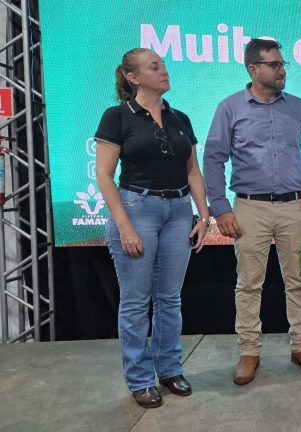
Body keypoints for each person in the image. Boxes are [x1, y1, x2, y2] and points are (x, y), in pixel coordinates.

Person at [203, 38, 301, 386]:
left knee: (299, 281)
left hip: (294, 206)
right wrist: (220, 208)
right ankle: (249, 351)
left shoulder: (297, 107)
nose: (282, 71)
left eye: (282, 64)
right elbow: (213, 159)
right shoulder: (230, 108)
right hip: (250, 207)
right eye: (274, 65)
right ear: (253, 69)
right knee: (249, 284)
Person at [95, 48, 209, 408]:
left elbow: (193, 171)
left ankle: (170, 369)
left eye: (163, 65)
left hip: (179, 211)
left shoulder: (180, 118)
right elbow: (104, 175)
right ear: (133, 77)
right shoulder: (117, 117)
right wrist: (124, 225)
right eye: (154, 66)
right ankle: (140, 379)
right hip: (137, 209)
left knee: (170, 298)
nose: (164, 71)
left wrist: (204, 215)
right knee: (135, 302)